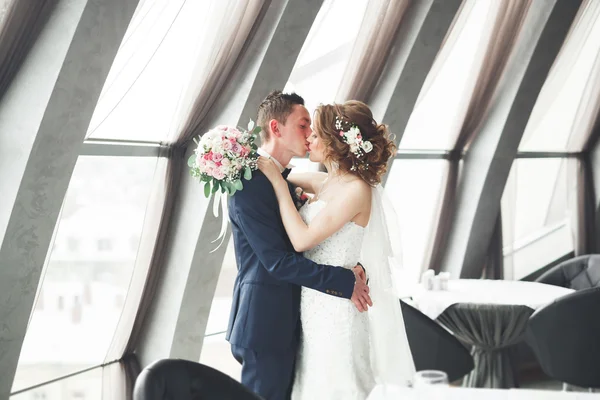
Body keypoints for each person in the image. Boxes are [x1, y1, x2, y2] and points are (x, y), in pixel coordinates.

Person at [258, 99, 416, 399]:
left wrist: (280, 188)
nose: (309, 139)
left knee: (337, 385)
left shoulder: (357, 190)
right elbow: (278, 171)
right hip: (313, 307)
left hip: (337, 312)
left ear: (336, 142)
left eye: (316, 134)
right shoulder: (326, 182)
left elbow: (302, 240)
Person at [226, 91, 372, 400]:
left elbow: (325, 237)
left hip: (298, 318)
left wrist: (353, 267)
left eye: (312, 129)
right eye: (304, 126)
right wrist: (345, 280)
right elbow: (277, 261)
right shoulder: (250, 183)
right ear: (277, 129)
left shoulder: (286, 180)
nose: (310, 136)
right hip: (265, 323)